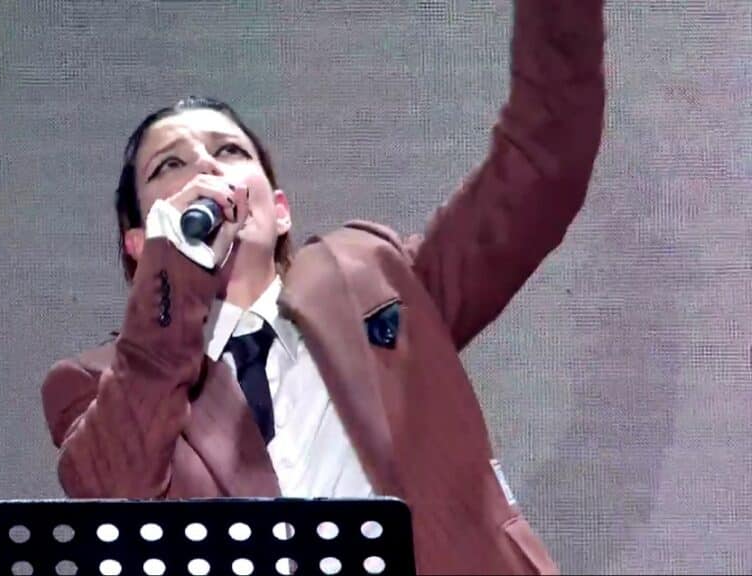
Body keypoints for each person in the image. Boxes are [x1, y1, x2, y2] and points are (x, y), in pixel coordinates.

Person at [41, 1, 604, 573]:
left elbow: (542, 165)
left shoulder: (375, 275)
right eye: (169, 166)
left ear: (279, 208)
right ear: (140, 243)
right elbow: (115, 492)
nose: (208, 169)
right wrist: (174, 280)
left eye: (229, 151)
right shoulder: (91, 386)